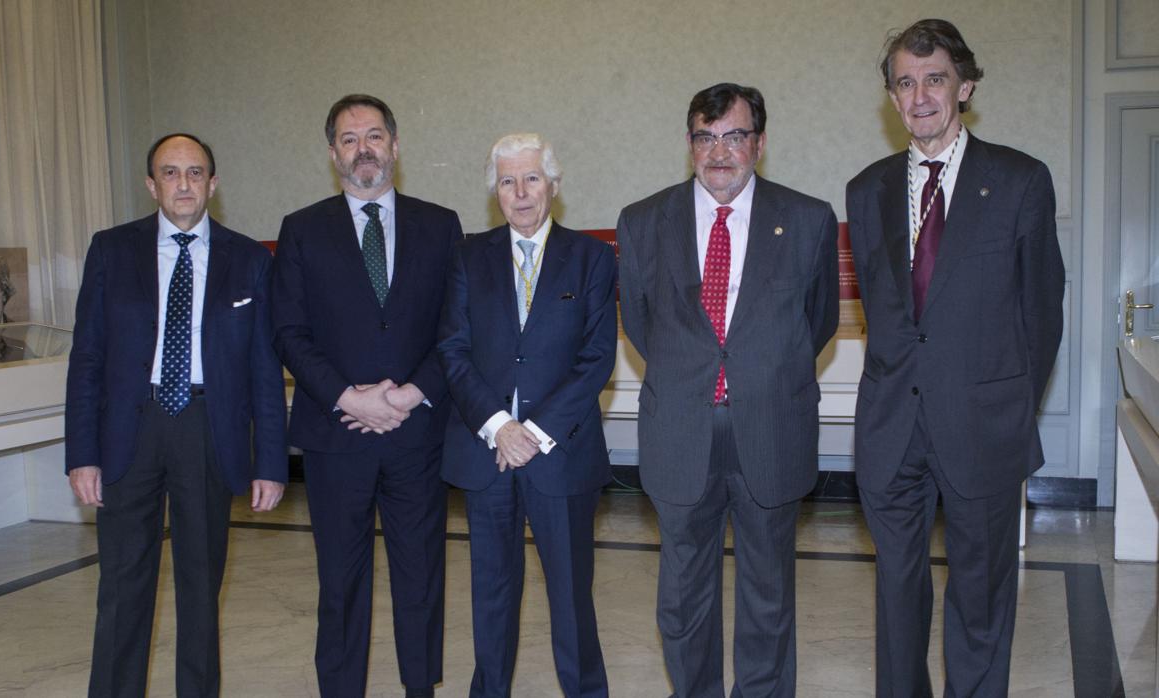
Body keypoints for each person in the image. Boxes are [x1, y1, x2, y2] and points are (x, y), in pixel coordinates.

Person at [846, 19, 1066, 696]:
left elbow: (1043, 313)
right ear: (891, 96)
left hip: (984, 426)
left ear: (964, 85)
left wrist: (1007, 407)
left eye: (934, 78)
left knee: (980, 599)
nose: (919, 96)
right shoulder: (865, 189)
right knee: (896, 598)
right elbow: (883, 312)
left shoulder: (1021, 180)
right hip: (891, 430)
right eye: (904, 83)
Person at [617, 83, 838, 697]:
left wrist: (757, 372)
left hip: (771, 425)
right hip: (680, 429)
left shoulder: (808, 219)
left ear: (759, 144)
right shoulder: (641, 221)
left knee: (768, 595)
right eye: (705, 138)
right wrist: (697, 372)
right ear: (689, 145)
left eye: (734, 136)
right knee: (683, 600)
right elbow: (641, 324)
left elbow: (813, 324)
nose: (720, 152)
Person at [64, 132, 288, 697]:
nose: (183, 184)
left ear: (213, 183)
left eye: (194, 173)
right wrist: (81, 454)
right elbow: (86, 356)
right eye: (170, 173)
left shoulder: (250, 260)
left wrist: (272, 463)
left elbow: (265, 369)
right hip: (128, 432)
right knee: (121, 586)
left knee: (199, 587)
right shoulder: (111, 250)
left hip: (207, 429)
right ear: (151, 184)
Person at [271, 94, 463, 698]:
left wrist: (410, 394)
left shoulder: (442, 224)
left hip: (418, 434)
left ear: (396, 146)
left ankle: (419, 687)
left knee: (421, 575)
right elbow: (288, 332)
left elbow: (458, 330)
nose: (364, 150)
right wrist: (346, 398)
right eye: (349, 139)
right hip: (336, 436)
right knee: (341, 580)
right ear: (332, 153)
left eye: (374, 136)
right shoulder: (301, 231)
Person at [439, 133, 615, 697]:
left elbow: (595, 359)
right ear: (495, 192)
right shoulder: (467, 258)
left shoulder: (591, 258)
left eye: (532, 178)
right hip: (486, 451)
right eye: (508, 181)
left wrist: (532, 434)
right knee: (491, 595)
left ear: (554, 186)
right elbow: (453, 350)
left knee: (570, 596)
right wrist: (500, 427)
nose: (520, 193)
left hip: (560, 455)